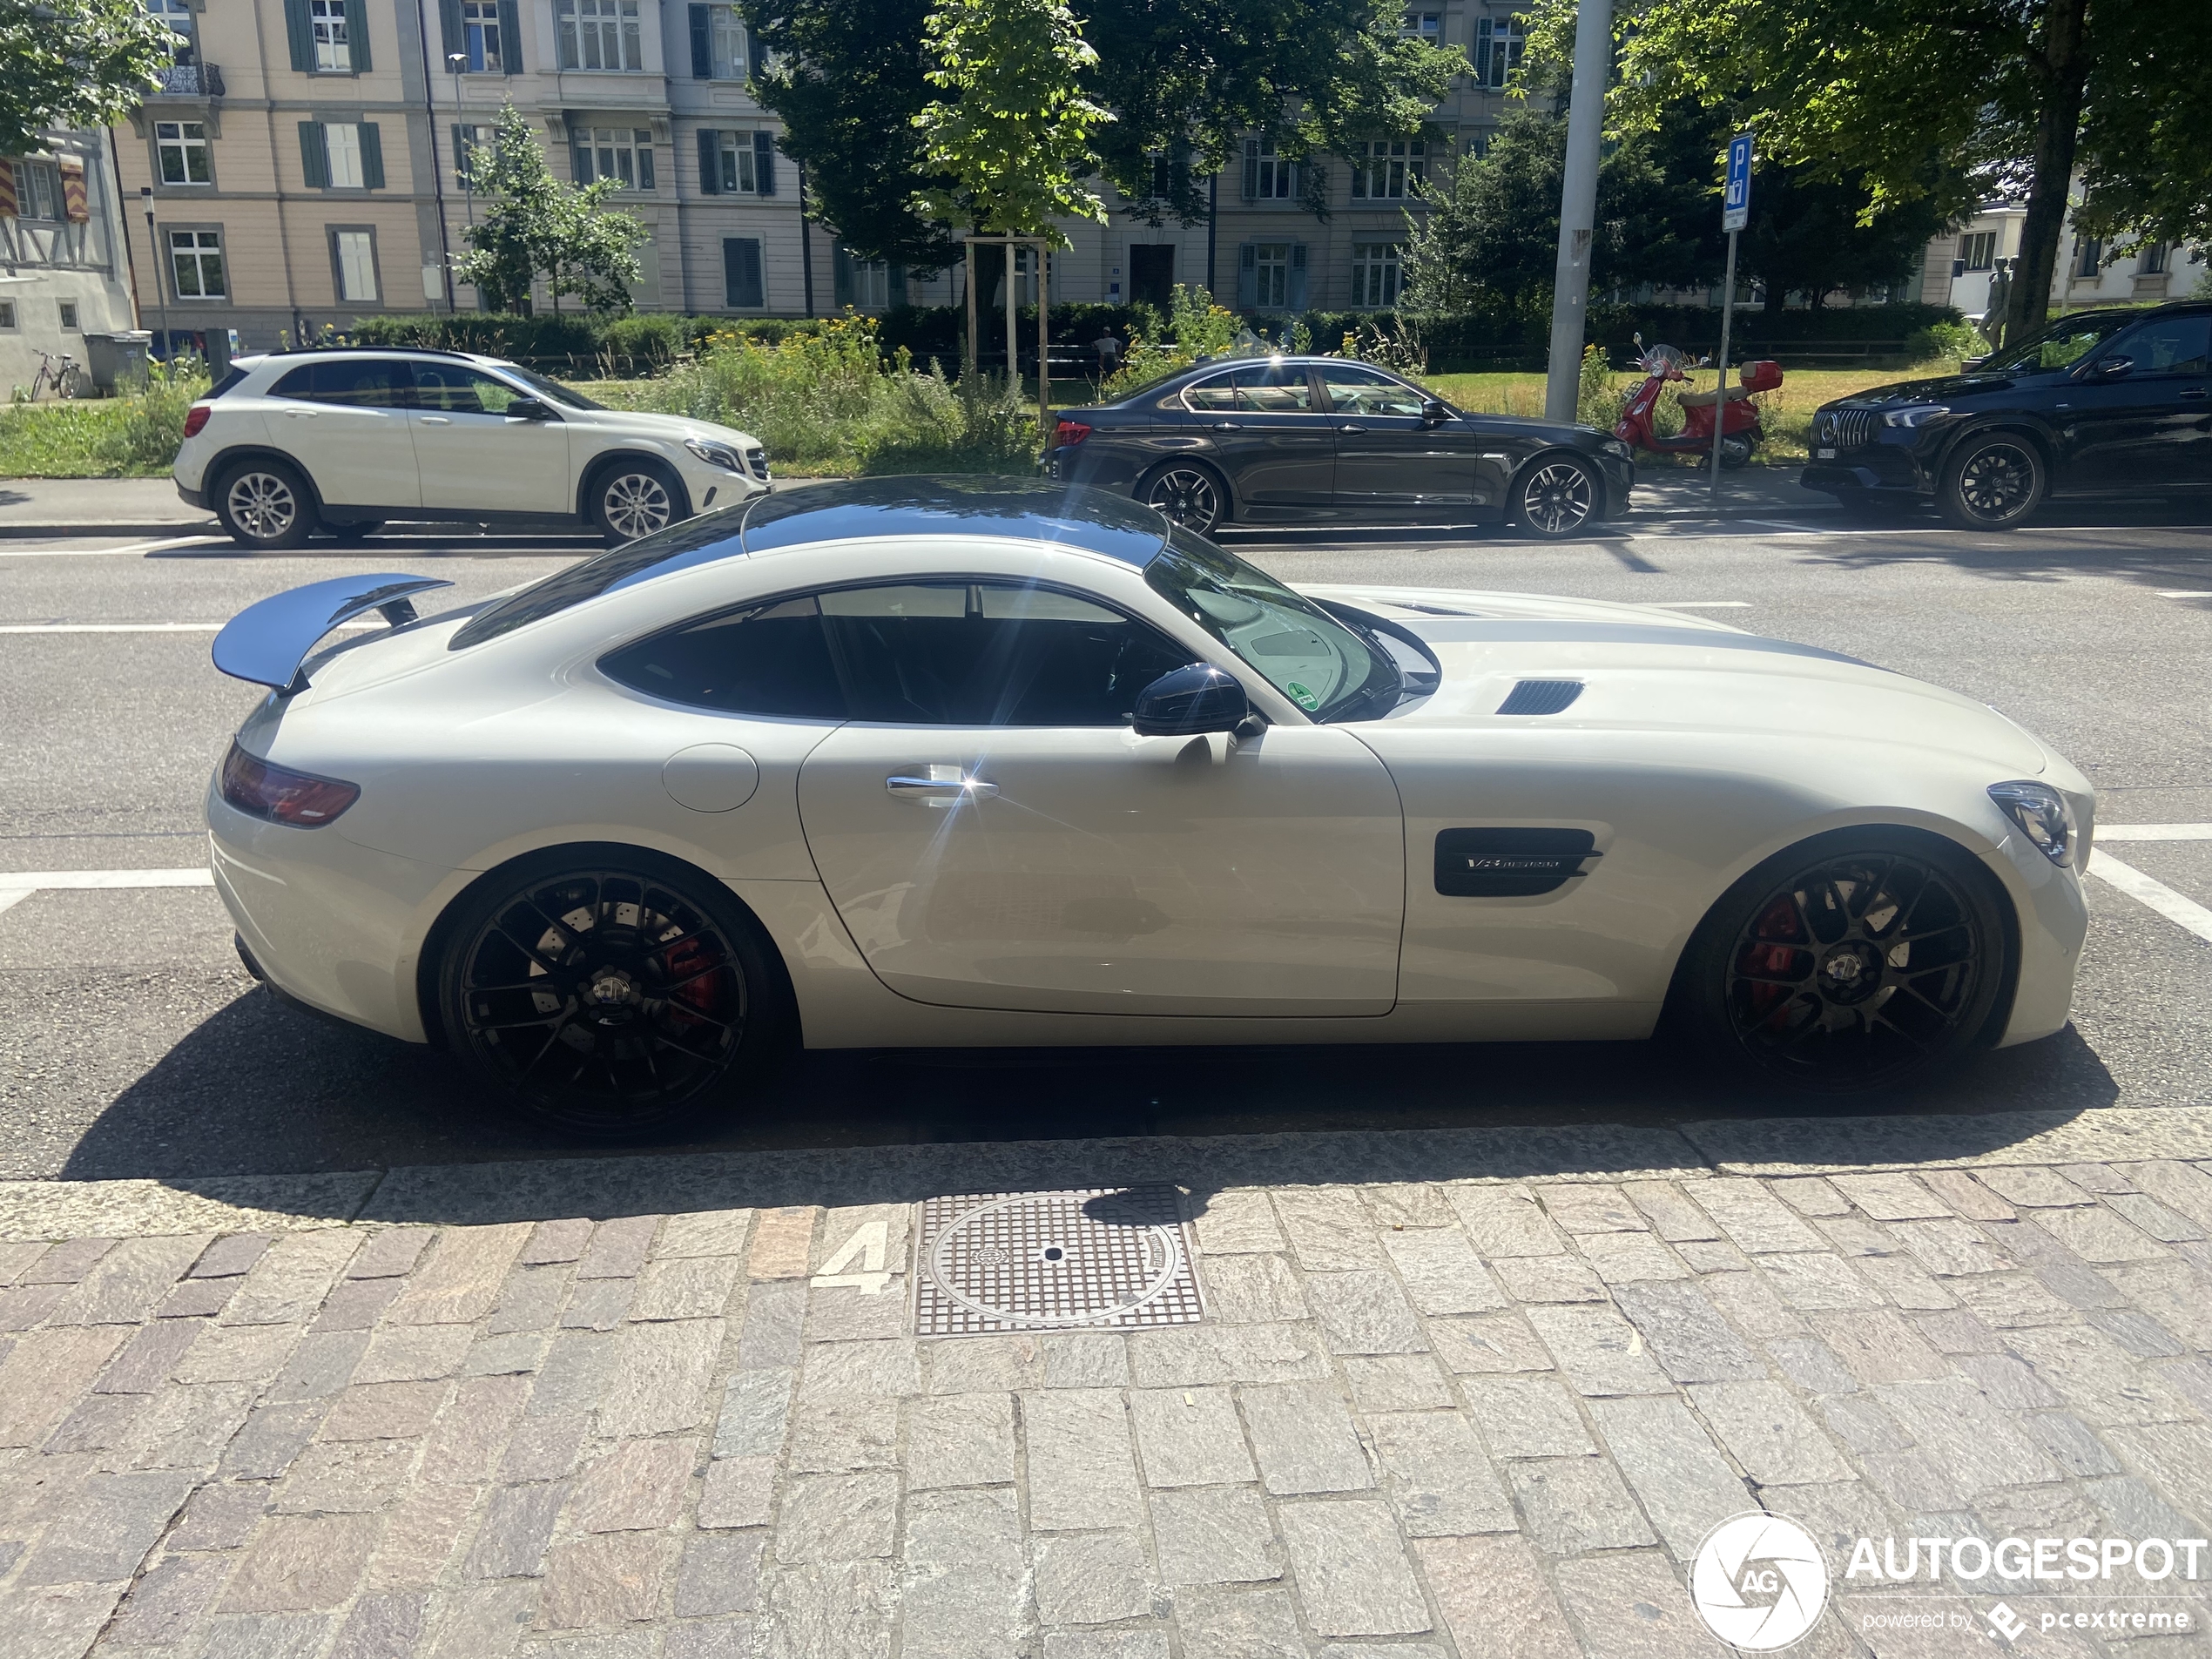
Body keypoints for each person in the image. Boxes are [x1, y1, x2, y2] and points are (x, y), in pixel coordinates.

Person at [1983, 260, 2013, 350]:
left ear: (2005, 265)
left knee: (1994, 331)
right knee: (1981, 329)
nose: (1999, 266)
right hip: (1992, 306)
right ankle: (1995, 349)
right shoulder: (1994, 276)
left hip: (2000, 307)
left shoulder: (2006, 276)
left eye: (2001, 264)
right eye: (1997, 264)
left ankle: (1996, 351)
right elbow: (1991, 294)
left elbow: (2012, 273)